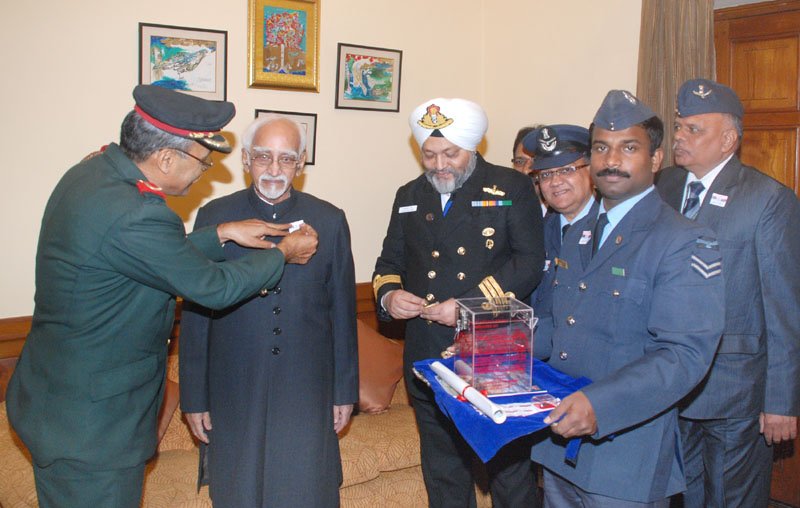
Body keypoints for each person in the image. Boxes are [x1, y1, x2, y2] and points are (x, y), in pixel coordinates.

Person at [5, 85, 318, 508]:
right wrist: (282, 253)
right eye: (202, 161)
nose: (203, 172)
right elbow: (214, 288)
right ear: (165, 157)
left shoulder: (92, 173)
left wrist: (221, 234)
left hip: (54, 402)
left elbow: (138, 255)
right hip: (93, 428)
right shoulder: (139, 213)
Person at [530, 90, 726, 507]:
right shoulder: (579, 232)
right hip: (558, 446)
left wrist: (598, 405)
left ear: (656, 160)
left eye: (628, 148)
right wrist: (499, 349)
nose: (611, 160)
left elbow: (684, 354)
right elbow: (555, 323)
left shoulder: (684, 240)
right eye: (601, 147)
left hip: (625, 456)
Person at [178, 114, 358, 508]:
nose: (274, 169)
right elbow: (195, 317)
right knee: (237, 489)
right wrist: (193, 396)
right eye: (263, 157)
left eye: (286, 158)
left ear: (302, 161)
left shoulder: (329, 219)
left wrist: (345, 391)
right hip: (233, 384)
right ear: (245, 160)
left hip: (306, 387)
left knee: (305, 489)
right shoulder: (214, 218)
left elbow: (342, 313)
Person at [373, 97, 545, 508]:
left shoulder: (511, 187)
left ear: (473, 147)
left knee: (507, 469)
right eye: (429, 154)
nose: (439, 164)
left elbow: (528, 264)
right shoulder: (409, 194)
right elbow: (388, 263)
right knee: (442, 465)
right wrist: (389, 295)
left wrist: (467, 306)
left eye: (450, 153)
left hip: (491, 350)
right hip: (428, 348)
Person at [657, 78, 800, 507]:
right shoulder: (661, 188)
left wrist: (782, 401)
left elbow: (785, 308)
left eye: (694, 129)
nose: (680, 136)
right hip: (669, 382)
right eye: (679, 126)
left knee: (732, 500)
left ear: (728, 140)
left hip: (737, 389)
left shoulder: (768, 198)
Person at [522, 124, 597, 357]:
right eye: (545, 174)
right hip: (534, 362)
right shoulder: (535, 232)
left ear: (591, 170)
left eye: (566, 170)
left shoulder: (610, 232)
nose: (555, 182)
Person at [512, 125, 548, 216]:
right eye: (520, 161)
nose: (526, 171)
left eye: (535, 160)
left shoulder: (563, 216)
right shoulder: (503, 212)